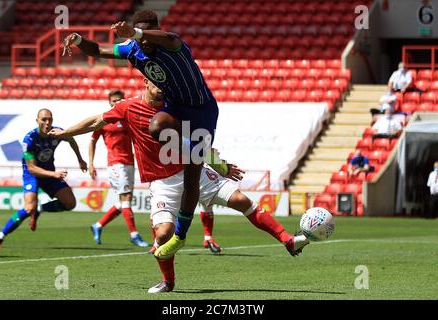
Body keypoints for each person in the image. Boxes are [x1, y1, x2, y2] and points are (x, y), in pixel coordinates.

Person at [48, 78, 310, 293]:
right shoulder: (127, 108)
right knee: (163, 235)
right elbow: (96, 121)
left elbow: (197, 142)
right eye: (155, 82)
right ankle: (169, 282)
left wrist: (220, 165)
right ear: (145, 82)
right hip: (162, 184)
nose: (161, 87)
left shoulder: (176, 107)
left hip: (193, 171)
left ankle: (287, 240)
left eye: (165, 82)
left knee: (242, 200)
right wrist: (65, 133)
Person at [62, 9, 225, 259]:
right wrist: (79, 40)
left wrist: (137, 32)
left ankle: (182, 231)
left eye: (147, 35)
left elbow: (171, 38)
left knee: (193, 177)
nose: (144, 42)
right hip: (175, 109)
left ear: (153, 30)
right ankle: (179, 235)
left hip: (202, 110)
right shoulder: (131, 49)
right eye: (140, 38)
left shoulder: (172, 45)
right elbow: (98, 51)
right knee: (156, 126)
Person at [0, 109, 87, 249]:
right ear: (37, 120)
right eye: (44, 119)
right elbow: (31, 168)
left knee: (70, 203)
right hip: (33, 175)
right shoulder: (29, 139)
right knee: (29, 208)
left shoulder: (57, 132)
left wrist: (80, 159)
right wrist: (53, 174)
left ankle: (40, 209)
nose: (47, 123)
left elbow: (71, 138)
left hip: (49, 174)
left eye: (50, 120)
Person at [89, 90, 148, 247]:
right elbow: (92, 141)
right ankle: (134, 235)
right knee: (126, 199)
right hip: (115, 163)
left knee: (124, 202)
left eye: (119, 100)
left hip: (129, 162)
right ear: (109, 102)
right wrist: (91, 163)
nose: (116, 103)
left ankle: (98, 225)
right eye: (113, 100)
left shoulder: (128, 117)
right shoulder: (105, 119)